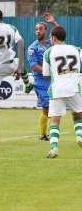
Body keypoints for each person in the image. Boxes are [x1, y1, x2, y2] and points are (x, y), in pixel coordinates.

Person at [0, 9, 32, 142]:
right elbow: (20, 43)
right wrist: (19, 66)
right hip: (10, 63)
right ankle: (27, 84)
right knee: (21, 66)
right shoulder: (12, 28)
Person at [43, 26, 82, 158]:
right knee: (78, 115)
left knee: (55, 120)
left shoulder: (48, 52)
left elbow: (46, 74)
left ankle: (54, 148)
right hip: (74, 88)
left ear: (53, 38)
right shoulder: (77, 49)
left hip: (57, 89)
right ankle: (80, 137)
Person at [27, 12, 60, 141]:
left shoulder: (50, 44)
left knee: (49, 109)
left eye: (40, 29)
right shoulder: (32, 47)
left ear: (46, 31)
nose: (38, 31)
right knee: (48, 107)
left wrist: (53, 22)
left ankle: (44, 134)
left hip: (52, 80)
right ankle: (46, 134)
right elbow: (34, 66)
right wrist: (49, 71)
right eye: (36, 29)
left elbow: (60, 36)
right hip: (41, 81)